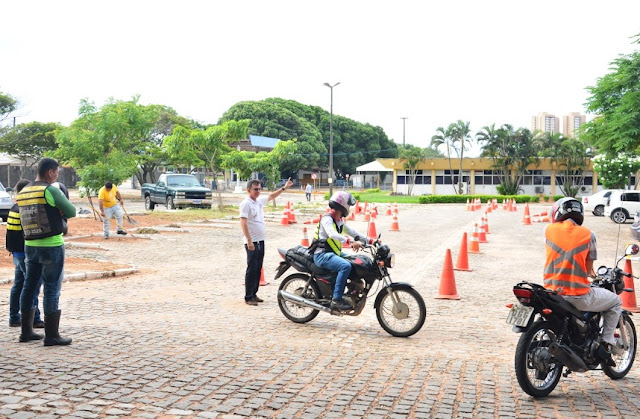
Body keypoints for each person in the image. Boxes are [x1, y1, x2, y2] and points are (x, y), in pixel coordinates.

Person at [543, 197, 621, 366]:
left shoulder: (547, 230)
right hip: (576, 295)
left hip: (552, 293)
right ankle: (607, 343)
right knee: (615, 301)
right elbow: (587, 270)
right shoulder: (588, 234)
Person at [17, 158, 77, 345]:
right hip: (51, 245)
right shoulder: (50, 190)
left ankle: (26, 332)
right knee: (51, 289)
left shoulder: (24, 191)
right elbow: (71, 211)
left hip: (30, 245)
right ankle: (52, 336)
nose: (57, 175)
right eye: (57, 172)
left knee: (29, 287)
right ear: (50, 172)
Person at [311, 191, 372, 311]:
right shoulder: (327, 219)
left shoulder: (339, 220)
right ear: (342, 205)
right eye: (348, 206)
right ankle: (336, 300)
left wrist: (371, 241)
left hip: (333, 253)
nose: (349, 208)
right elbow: (332, 234)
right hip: (321, 255)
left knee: (357, 261)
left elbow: (353, 233)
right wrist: (350, 242)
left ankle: (351, 290)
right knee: (345, 266)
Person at [240, 177, 293, 306]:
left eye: (259, 189)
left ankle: (254, 293)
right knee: (251, 268)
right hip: (252, 241)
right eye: (255, 189)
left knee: (258, 268)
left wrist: (284, 188)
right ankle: (248, 296)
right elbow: (243, 222)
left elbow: (271, 196)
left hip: (260, 241)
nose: (258, 191)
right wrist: (249, 240)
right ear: (249, 190)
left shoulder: (258, 201)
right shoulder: (246, 203)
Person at [7, 179, 44, 329]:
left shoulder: (14, 207)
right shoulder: (24, 209)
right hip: (25, 254)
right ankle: (34, 318)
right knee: (32, 286)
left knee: (19, 285)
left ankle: (14, 317)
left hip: (16, 253)